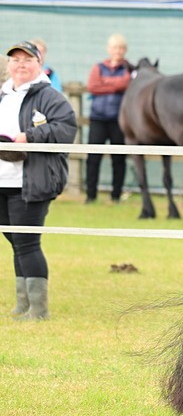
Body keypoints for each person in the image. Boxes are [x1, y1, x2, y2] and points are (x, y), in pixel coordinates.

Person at [0, 41, 77, 320]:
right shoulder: (3, 95)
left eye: (27, 59)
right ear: (8, 65)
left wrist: (29, 137)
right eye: (15, 59)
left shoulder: (50, 97)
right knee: (14, 239)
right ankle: (23, 304)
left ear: (39, 64)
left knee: (27, 241)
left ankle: (38, 309)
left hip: (31, 180)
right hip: (3, 180)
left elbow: (66, 129)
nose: (20, 64)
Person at [85, 34, 132, 203]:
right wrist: (115, 84)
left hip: (118, 120)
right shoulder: (98, 67)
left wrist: (105, 82)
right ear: (109, 49)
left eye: (121, 48)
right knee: (93, 158)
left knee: (118, 159)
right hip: (98, 118)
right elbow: (92, 86)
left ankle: (116, 196)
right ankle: (91, 195)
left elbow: (126, 83)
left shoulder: (128, 69)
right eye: (114, 48)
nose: (117, 51)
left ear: (125, 50)